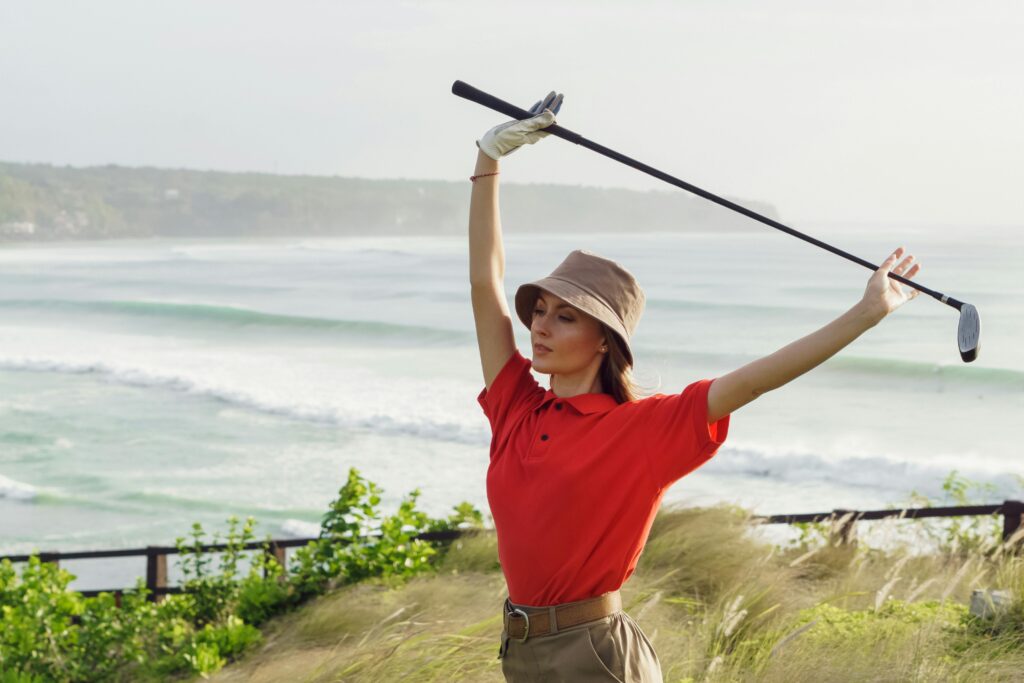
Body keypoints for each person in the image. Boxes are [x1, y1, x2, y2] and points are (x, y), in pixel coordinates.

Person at [468, 91, 922, 682]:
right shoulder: (516, 409)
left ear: (605, 340)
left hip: (596, 655)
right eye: (541, 310)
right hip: (520, 651)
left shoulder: (645, 429)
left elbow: (757, 379)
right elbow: (486, 283)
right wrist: (489, 158)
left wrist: (865, 314)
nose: (539, 326)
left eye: (565, 316)